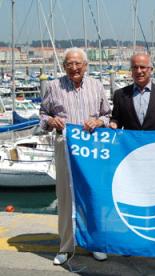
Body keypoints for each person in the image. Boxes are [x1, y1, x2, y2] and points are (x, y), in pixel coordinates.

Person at [40, 47, 111, 265]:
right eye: (69, 64)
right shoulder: (54, 86)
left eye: (78, 63)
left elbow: (107, 115)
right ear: (64, 66)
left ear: (86, 65)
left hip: (91, 150)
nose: (74, 67)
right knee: (65, 197)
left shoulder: (97, 86)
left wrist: (98, 122)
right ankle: (65, 246)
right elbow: (43, 114)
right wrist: (51, 121)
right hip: (65, 146)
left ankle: (95, 243)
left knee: (93, 195)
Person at [110, 53, 155, 130]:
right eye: (135, 67)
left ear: (151, 70)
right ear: (131, 70)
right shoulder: (120, 94)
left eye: (142, 67)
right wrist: (114, 123)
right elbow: (116, 119)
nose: (138, 71)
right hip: (131, 141)